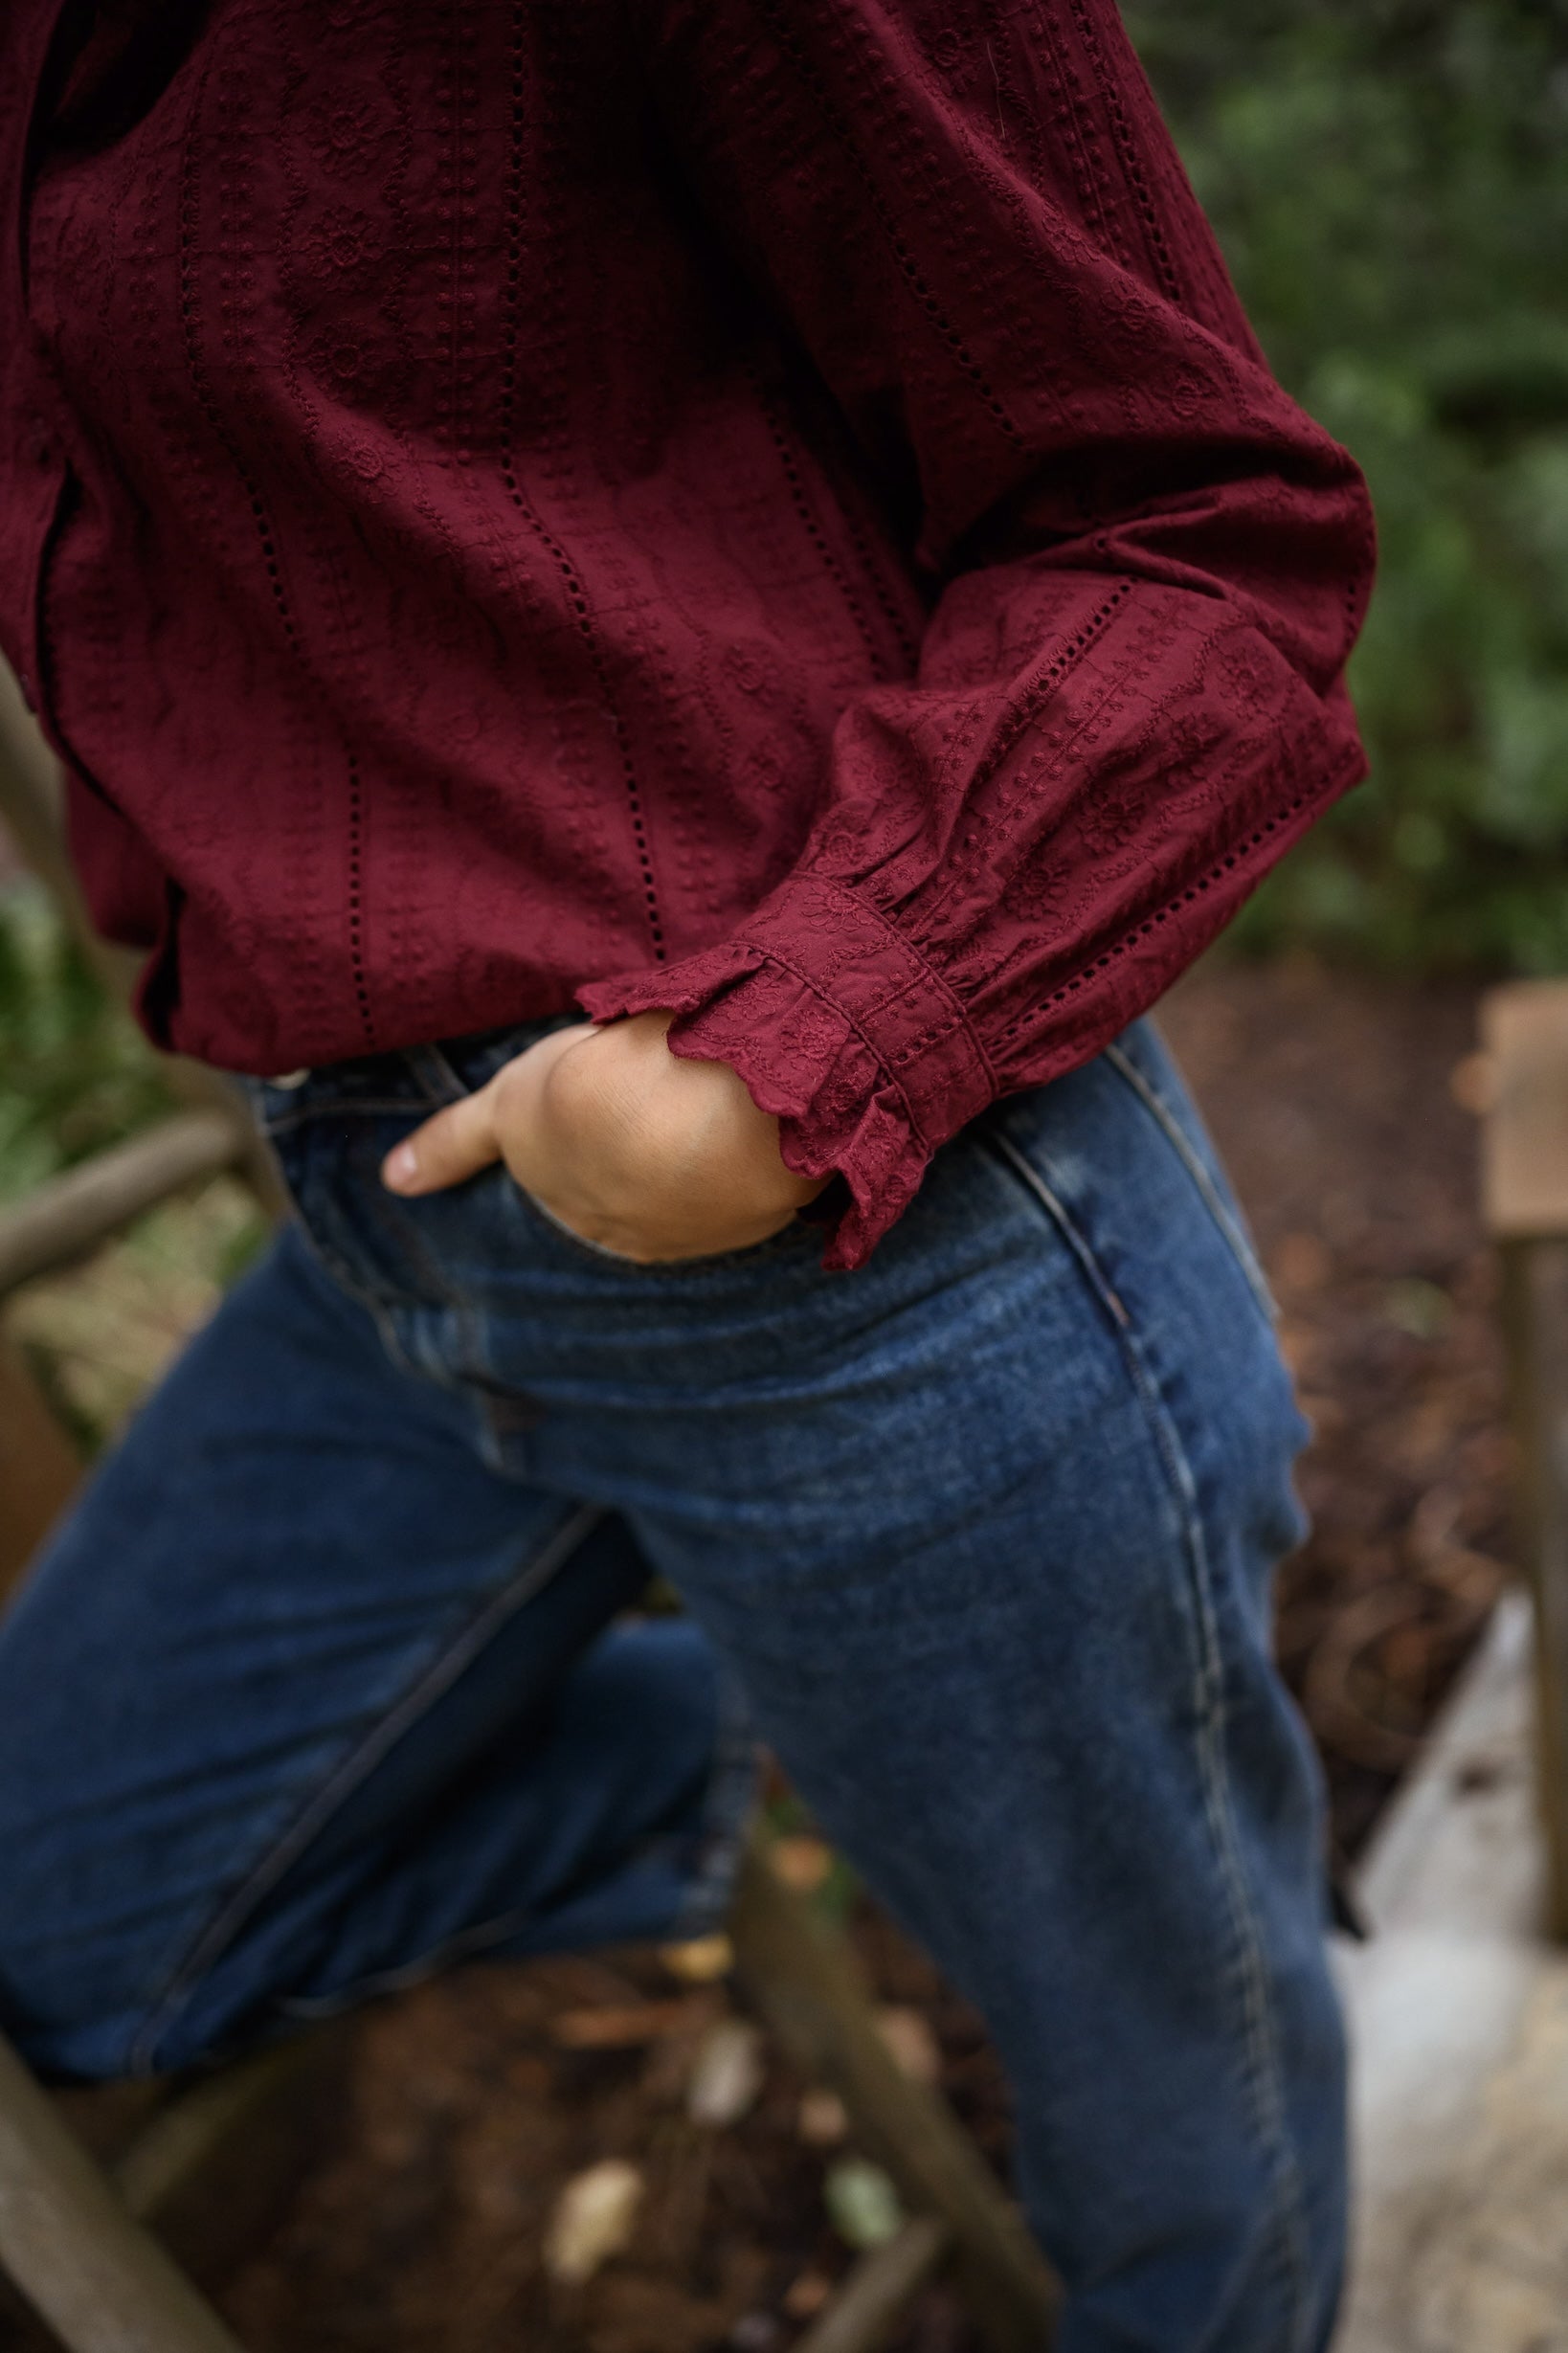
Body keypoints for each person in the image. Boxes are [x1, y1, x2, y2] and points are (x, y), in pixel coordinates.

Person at [0, 1, 1375, 2344]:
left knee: (1176, 2154)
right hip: (395, 1218)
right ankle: (943, 1744)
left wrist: (795, 1050)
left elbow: (1197, 536)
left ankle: (1111, 1787)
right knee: (79, 1916)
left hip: (848, 1232)